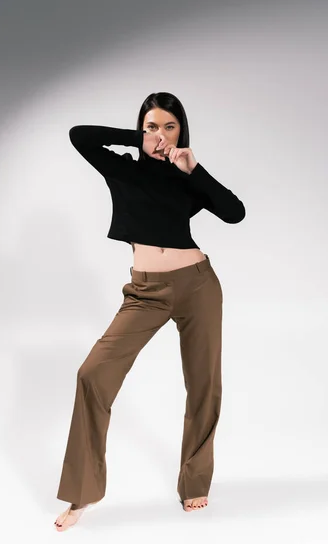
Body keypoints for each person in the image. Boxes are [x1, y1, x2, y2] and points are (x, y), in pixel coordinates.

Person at [54, 91, 246, 531]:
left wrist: (193, 168)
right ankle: (82, 493)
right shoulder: (120, 167)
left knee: (204, 385)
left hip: (198, 285)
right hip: (145, 292)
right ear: (141, 129)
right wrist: (137, 140)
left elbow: (234, 213)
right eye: (152, 125)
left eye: (170, 126)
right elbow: (79, 136)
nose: (161, 135)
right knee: (92, 374)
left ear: (182, 131)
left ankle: (195, 481)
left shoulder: (185, 176)